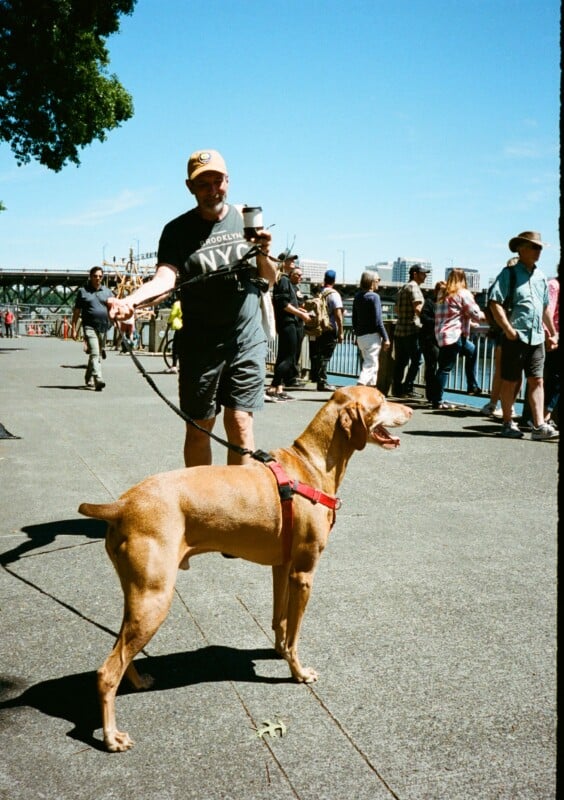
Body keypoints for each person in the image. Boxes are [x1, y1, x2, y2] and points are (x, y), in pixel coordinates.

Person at [107, 149, 277, 466]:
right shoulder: (177, 231)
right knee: (199, 429)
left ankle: (240, 507)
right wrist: (130, 302)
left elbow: (269, 279)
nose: (212, 190)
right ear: (190, 187)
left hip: (245, 339)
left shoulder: (246, 221)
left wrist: (264, 252)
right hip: (200, 345)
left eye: (217, 181)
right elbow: (165, 280)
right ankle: (201, 506)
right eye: (203, 184)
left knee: (240, 423)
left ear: (228, 181)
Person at [489, 231, 558, 440]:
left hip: (536, 337)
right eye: (534, 247)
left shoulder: (541, 277)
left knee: (538, 380)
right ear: (521, 248)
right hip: (516, 336)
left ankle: (538, 426)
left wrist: (553, 334)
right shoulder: (509, 273)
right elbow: (494, 302)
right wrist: (508, 330)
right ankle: (508, 422)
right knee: (510, 380)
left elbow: (545, 308)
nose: (538, 251)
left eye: (540, 248)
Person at [432, 269, 485, 410]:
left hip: (442, 334)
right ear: (463, 279)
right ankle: (437, 401)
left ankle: (472, 385)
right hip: (454, 336)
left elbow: (454, 314)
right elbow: (475, 313)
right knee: (444, 368)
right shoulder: (462, 293)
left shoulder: (442, 293)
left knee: (471, 350)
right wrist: (492, 318)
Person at [266, 256, 310, 401]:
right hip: (288, 323)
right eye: (290, 260)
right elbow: (283, 304)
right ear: (282, 263)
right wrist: (301, 315)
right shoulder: (283, 280)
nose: (293, 262)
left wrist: (301, 311)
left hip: (288, 322)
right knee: (289, 358)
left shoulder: (284, 280)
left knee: (283, 356)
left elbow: (288, 303)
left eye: (293, 260)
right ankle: (274, 386)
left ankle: (279, 388)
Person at [481, 257, 520, 419]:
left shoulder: (499, 285)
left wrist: (494, 326)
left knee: (500, 371)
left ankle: (493, 404)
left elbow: (488, 309)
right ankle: (509, 407)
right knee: (515, 374)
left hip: (500, 332)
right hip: (514, 332)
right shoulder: (518, 286)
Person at [71, 266, 114, 391]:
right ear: (90, 277)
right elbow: (77, 312)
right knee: (95, 352)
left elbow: (112, 309)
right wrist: (74, 328)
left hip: (103, 327)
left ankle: (88, 376)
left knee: (97, 354)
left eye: (100, 276)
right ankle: (98, 379)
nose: (98, 278)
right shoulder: (83, 292)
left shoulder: (107, 292)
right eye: (95, 276)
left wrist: (115, 321)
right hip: (89, 327)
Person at [392, 264, 429, 398]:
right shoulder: (414, 288)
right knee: (417, 360)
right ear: (415, 274)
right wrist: (429, 321)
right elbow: (418, 309)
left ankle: (397, 389)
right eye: (423, 273)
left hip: (399, 330)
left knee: (401, 362)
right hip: (412, 330)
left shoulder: (403, 288)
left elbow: (396, 309)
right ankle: (407, 387)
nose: (425, 276)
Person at [352, 270, 390, 387]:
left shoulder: (358, 296)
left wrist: (357, 335)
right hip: (372, 337)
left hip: (361, 337)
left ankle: (371, 390)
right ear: (372, 282)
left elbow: (354, 319)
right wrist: (386, 338)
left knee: (373, 364)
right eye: (378, 280)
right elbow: (378, 321)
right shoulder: (374, 297)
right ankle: (360, 386)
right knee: (370, 364)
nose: (379, 283)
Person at [309, 269, 343, 391]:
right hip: (330, 328)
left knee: (319, 354)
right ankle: (322, 382)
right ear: (334, 280)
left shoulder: (320, 293)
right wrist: (341, 332)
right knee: (326, 356)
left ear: (325, 279)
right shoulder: (334, 294)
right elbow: (338, 315)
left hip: (319, 328)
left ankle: (318, 379)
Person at [419, 281, 445, 404]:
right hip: (429, 339)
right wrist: (438, 322)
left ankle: (437, 394)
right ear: (436, 291)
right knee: (431, 366)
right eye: (441, 290)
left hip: (441, 340)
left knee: (439, 366)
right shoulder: (430, 303)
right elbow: (423, 317)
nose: (444, 293)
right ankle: (431, 395)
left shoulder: (447, 304)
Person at [165, 299, 183, 373]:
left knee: (175, 347)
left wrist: (169, 322)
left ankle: (174, 366)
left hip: (179, 327)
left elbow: (173, 314)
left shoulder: (178, 303)